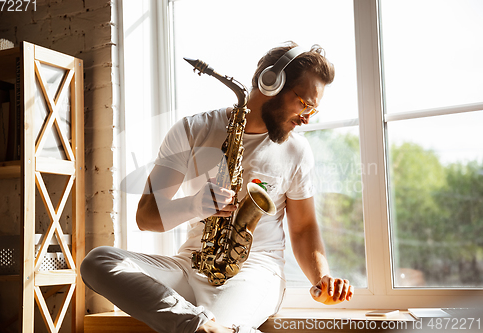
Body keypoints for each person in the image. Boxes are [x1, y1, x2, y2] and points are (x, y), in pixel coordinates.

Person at [80, 41, 354, 333]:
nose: (308, 116)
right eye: (304, 103)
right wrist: (195, 205)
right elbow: (145, 217)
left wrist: (321, 278)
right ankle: (206, 326)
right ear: (271, 83)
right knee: (98, 262)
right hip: (191, 263)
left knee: (214, 324)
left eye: (314, 108)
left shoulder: (297, 151)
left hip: (254, 270)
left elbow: (303, 229)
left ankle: (205, 326)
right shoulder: (191, 129)